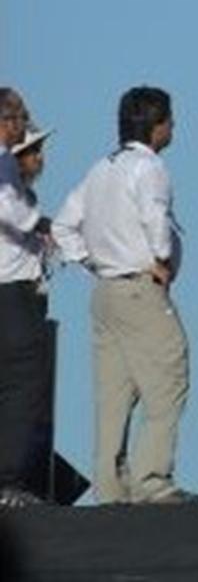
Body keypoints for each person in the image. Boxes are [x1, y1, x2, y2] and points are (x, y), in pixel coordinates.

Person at [51, 86, 198, 505]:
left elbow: (63, 226)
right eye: (169, 119)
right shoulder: (149, 168)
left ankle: (111, 487)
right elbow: (155, 218)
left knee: (114, 391)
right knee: (169, 374)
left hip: (105, 293)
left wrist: (91, 261)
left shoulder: (101, 169)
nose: (173, 126)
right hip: (139, 288)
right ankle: (152, 480)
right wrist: (161, 258)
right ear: (156, 126)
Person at [0, 92, 56, 509]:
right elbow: (10, 211)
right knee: (24, 380)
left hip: (17, 287)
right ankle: (8, 480)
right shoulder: (2, 165)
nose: (24, 123)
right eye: (19, 117)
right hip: (10, 289)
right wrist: (41, 224)